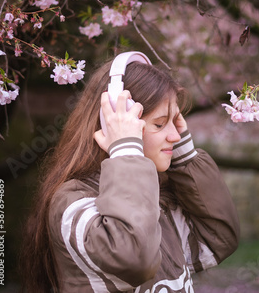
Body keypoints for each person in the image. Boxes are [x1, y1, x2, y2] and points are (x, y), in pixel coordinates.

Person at [20, 52, 240, 293]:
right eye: (159, 124)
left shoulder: (152, 199)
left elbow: (218, 239)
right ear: (113, 124)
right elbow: (136, 260)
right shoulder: (72, 203)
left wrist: (185, 157)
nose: (176, 137)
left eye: (174, 122)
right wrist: (126, 150)